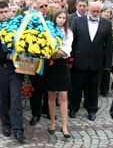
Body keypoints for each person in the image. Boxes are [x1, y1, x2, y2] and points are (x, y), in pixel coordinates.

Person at [0, 1, 25, 142]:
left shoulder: (17, 25)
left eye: (6, 11)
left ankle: (18, 129)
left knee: (15, 99)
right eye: (1, 12)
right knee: (2, 99)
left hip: (15, 69)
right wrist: (7, 56)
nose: (4, 14)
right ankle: (6, 125)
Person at [68, 2, 113, 121]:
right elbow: (72, 41)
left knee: (93, 87)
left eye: (97, 12)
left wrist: (108, 64)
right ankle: (73, 107)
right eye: (93, 11)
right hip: (79, 60)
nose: (95, 14)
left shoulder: (107, 23)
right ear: (88, 10)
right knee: (76, 86)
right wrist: (70, 59)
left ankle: (92, 109)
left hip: (97, 61)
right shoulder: (77, 21)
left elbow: (109, 45)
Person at [44, 9, 73, 138]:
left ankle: (65, 126)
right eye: (59, 17)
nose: (61, 20)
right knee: (51, 95)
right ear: (55, 18)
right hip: (50, 65)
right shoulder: (48, 30)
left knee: (63, 96)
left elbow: (66, 50)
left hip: (61, 65)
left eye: (63, 18)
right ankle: (52, 123)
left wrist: (55, 53)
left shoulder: (68, 32)